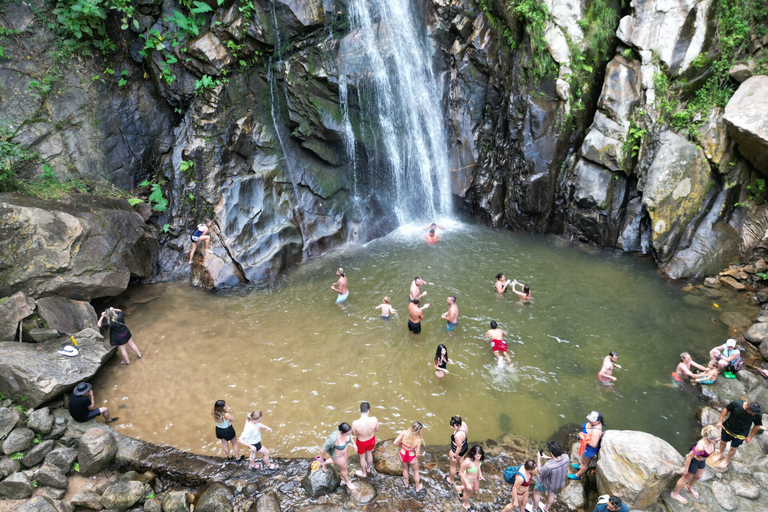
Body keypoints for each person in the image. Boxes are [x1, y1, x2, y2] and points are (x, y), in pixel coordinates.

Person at [669, 425, 720, 503]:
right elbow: (689, 456)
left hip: (702, 461)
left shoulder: (711, 442)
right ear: (709, 439)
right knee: (685, 478)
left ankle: (689, 486)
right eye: (716, 441)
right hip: (694, 461)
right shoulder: (700, 447)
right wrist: (685, 468)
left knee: (698, 476)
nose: (717, 442)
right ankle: (674, 493)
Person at [710, 399, 762, 470]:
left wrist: (750, 436)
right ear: (747, 407)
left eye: (755, 413)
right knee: (722, 442)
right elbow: (726, 409)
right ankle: (720, 454)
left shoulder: (757, 413)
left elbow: (757, 425)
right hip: (728, 427)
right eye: (752, 413)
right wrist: (720, 421)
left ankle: (727, 460)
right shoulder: (737, 404)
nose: (754, 414)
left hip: (741, 433)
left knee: (733, 448)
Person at [532, 441, 570, 512]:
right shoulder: (566, 457)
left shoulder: (548, 466)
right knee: (551, 494)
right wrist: (546, 457)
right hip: (559, 483)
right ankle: (546, 509)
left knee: (536, 491)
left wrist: (539, 458)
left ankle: (534, 509)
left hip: (547, 484)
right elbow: (557, 460)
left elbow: (540, 472)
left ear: (551, 453)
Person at [320, 422, 356, 489]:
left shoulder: (346, 432)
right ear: (341, 431)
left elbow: (349, 436)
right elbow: (323, 448)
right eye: (347, 433)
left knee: (345, 462)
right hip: (338, 456)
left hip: (345, 452)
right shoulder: (333, 439)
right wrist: (321, 458)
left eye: (349, 433)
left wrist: (354, 444)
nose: (348, 434)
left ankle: (324, 463)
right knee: (344, 468)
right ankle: (347, 481)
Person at [569, 411, 604, 480]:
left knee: (585, 463)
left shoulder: (596, 431)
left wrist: (583, 438)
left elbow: (594, 444)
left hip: (589, 450)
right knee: (583, 460)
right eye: (589, 420)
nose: (590, 421)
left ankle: (577, 475)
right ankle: (580, 466)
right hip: (586, 447)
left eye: (592, 421)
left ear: (598, 421)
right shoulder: (593, 423)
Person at [394, 421, 424, 492]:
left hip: (402, 455)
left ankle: (406, 483)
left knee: (405, 468)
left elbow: (395, 442)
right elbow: (417, 454)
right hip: (411, 457)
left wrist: (402, 443)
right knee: (416, 471)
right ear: (418, 430)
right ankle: (417, 487)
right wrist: (422, 454)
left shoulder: (404, 433)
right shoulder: (418, 440)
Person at [351, 402, 379, 478]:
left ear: (360, 410)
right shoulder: (374, 419)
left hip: (361, 442)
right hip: (371, 439)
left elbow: (353, 434)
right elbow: (377, 429)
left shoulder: (355, 423)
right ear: (368, 410)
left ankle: (363, 473)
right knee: (369, 453)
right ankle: (368, 469)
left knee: (362, 457)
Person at [455, 445, 484, 511]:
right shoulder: (467, 462)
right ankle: (465, 504)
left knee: (476, 489)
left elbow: (478, 466)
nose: (478, 458)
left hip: (475, 478)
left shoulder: (479, 459)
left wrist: (480, 473)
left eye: (480, 456)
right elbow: (461, 473)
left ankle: (459, 487)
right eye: (477, 456)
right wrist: (467, 483)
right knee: (469, 493)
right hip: (468, 479)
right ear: (473, 453)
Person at [445, 415, 468, 485]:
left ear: (458, 425)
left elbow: (459, 447)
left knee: (453, 465)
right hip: (464, 447)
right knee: (461, 460)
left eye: (453, 426)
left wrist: (454, 456)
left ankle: (451, 480)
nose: (451, 427)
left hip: (457, 450)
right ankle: (461, 474)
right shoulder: (463, 424)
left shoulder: (457, 435)